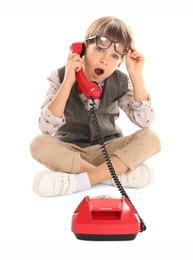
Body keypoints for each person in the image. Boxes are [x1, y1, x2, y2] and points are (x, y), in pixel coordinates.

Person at [30, 16, 161, 197]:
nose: (104, 60)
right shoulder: (60, 76)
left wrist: (136, 75)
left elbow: (144, 121)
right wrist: (68, 82)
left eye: (114, 56)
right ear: (83, 48)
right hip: (72, 151)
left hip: (108, 149)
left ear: (120, 61)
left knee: (151, 137)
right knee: (38, 144)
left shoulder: (120, 81)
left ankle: (83, 180)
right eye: (99, 49)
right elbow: (46, 128)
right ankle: (112, 176)